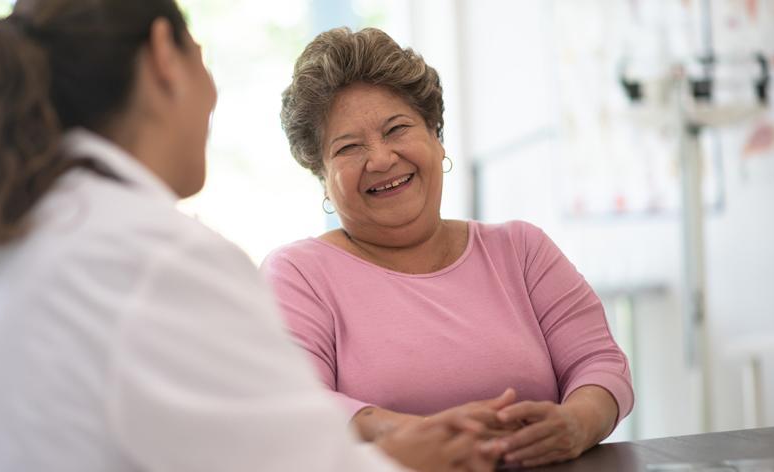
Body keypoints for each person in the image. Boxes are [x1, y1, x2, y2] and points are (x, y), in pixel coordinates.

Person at [0, 3, 500, 471]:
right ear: (164, 57)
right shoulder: (157, 257)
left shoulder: (7, 236)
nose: (213, 95)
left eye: (398, 128)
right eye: (200, 55)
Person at [263, 26, 635, 469]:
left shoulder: (521, 249)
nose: (380, 159)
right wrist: (405, 434)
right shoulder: (298, 273)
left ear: (436, 138)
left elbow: (600, 362)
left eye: (396, 129)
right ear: (322, 176)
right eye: (348, 148)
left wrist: (577, 423)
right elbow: (296, 402)